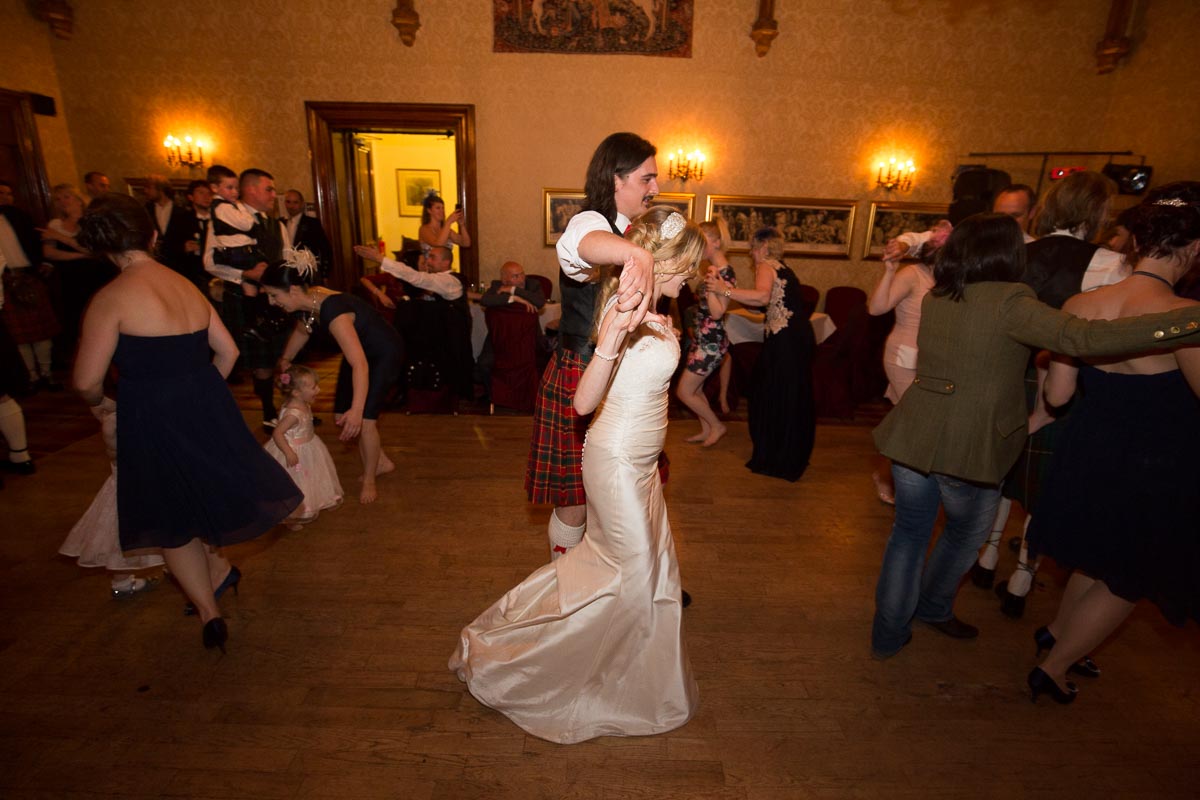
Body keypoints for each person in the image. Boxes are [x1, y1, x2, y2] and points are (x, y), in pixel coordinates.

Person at [869, 212, 1200, 661]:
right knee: (965, 533)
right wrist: (1186, 323)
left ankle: (888, 633)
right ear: (1010, 253)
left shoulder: (940, 295)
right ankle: (932, 606)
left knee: (908, 535)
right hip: (970, 444)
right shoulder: (1011, 300)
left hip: (912, 434)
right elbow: (1082, 339)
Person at [449, 207, 702, 744]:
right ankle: (544, 668)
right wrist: (612, 338)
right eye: (688, 266)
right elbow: (583, 402)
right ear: (663, 262)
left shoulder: (655, 307)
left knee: (645, 571)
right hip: (615, 460)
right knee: (632, 572)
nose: (692, 276)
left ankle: (623, 674)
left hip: (641, 463)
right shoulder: (625, 306)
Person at [73, 193, 302, 652]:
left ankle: (209, 613)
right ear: (152, 235)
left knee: (170, 516)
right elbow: (228, 352)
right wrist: (197, 393)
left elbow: (86, 381)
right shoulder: (185, 285)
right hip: (205, 406)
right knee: (201, 498)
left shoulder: (111, 298)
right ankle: (219, 574)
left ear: (104, 247)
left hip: (150, 413)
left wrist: (102, 406)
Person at [1024, 185, 1200, 704]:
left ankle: (1059, 634)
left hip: (1087, 448)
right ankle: (1053, 668)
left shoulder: (1081, 304)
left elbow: (1058, 395)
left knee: (1095, 556)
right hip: (1152, 462)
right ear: (1194, 248)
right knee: (1130, 573)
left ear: (1135, 242)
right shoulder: (1184, 316)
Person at [973, 171, 1129, 618]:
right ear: (1098, 213)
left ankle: (987, 554)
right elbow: (1105, 336)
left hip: (1008, 373)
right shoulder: (1111, 265)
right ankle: (1023, 576)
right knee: (1044, 481)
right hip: (1068, 374)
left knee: (1005, 468)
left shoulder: (1017, 254)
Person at [526, 131, 656, 563]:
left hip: (625, 377)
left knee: (618, 495)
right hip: (580, 368)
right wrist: (640, 256)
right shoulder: (589, 222)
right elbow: (579, 246)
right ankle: (563, 579)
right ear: (616, 179)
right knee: (576, 498)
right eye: (646, 178)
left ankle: (622, 579)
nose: (655, 188)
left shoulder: (639, 230)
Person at [263, 250, 403, 504]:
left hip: (382, 354)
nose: (272, 302)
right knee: (341, 414)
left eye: (274, 295)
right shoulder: (308, 302)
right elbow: (303, 331)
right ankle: (380, 460)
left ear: (292, 290)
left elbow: (360, 365)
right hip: (359, 353)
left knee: (364, 420)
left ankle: (370, 477)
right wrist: (285, 360)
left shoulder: (334, 313)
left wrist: (358, 410)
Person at [706, 226, 816, 481]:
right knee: (789, 395)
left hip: (785, 340)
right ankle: (790, 452)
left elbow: (763, 297)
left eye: (753, 249)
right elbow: (769, 303)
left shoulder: (766, 265)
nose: (751, 254)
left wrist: (724, 290)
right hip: (798, 337)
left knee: (768, 393)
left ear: (764, 247)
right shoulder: (783, 267)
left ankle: (777, 456)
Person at [866, 222, 950, 503]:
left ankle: (885, 472)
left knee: (906, 421)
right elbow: (876, 308)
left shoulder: (951, 281)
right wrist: (890, 271)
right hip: (903, 358)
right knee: (916, 420)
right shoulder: (913, 274)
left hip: (932, 360)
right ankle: (906, 484)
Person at [58, 396, 165, 598]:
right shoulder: (121, 421)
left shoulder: (116, 418)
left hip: (128, 490)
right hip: (137, 492)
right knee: (125, 540)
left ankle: (124, 582)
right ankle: (123, 582)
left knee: (125, 538)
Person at [676, 218, 734, 446]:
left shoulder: (725, 273)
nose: (699, 247)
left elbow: (718, 312)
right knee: (696, 390)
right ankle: (706, 429)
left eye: (703, 242)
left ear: (716, 242)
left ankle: (717, 426)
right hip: (702, 340)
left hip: (711, 343)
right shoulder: (714, 269)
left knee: (684, 392)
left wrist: (710, 284)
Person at [263, 364, 342, 528]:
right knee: (296, 480)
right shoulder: (293, 414)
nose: (318, 390)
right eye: (314, 387)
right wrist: (288, 452)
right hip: (294, 452)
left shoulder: (303, 404)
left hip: (308, 449)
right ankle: (292, 513)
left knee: (309, 477)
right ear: (296, 393)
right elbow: (277, 433)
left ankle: (308, 505)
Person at [0, 179, 60, 391]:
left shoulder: (21, 217)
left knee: (42, 332)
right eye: (1, 193)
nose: (5, 197)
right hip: (5, 281)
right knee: (19, 336)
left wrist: (46, 263)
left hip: (29, 277)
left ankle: (47, 374)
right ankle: (31, 377)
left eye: (8, 193)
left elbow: (37, 242)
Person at [41, 183, 114, 356]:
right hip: (71, 278)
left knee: (100, 315)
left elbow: (95, 250)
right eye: (58, 199)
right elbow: (49, 253)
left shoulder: (92, 221)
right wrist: (80, 255)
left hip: (96, 275)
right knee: (77, 317)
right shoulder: (55, 223)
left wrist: (61, 238)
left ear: (79, 200)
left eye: (67, 197)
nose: (62, 202)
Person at [283, 190, 333, 280]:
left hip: (307, 273)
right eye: (288, 202)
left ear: (302, 204)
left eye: (295, 202)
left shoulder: (312, 223)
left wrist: (324, 274)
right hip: (286, 274)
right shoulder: (280, 223)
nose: (291, 206)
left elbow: (325, 249)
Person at [479, 261, 545, 312]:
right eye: (515, 276)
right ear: (504, 279)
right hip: (503, 324)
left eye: (522, 274)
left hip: (528, 325)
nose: (521, 279)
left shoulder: (533, 284)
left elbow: (540, 302)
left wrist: (513, 289)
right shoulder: (497, 285)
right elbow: (484, 300)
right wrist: (513, 298)